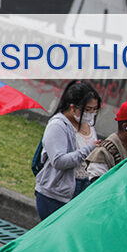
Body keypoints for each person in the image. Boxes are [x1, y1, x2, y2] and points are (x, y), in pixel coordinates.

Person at [34, 81, 101, 220]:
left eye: (95, 109)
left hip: (81, 190)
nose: (91, 114)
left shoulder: (88, 125)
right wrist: (90, 149)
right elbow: (59, 161)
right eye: (88, 109)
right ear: (72, 107)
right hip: (55, 194)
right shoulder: (58, 125)